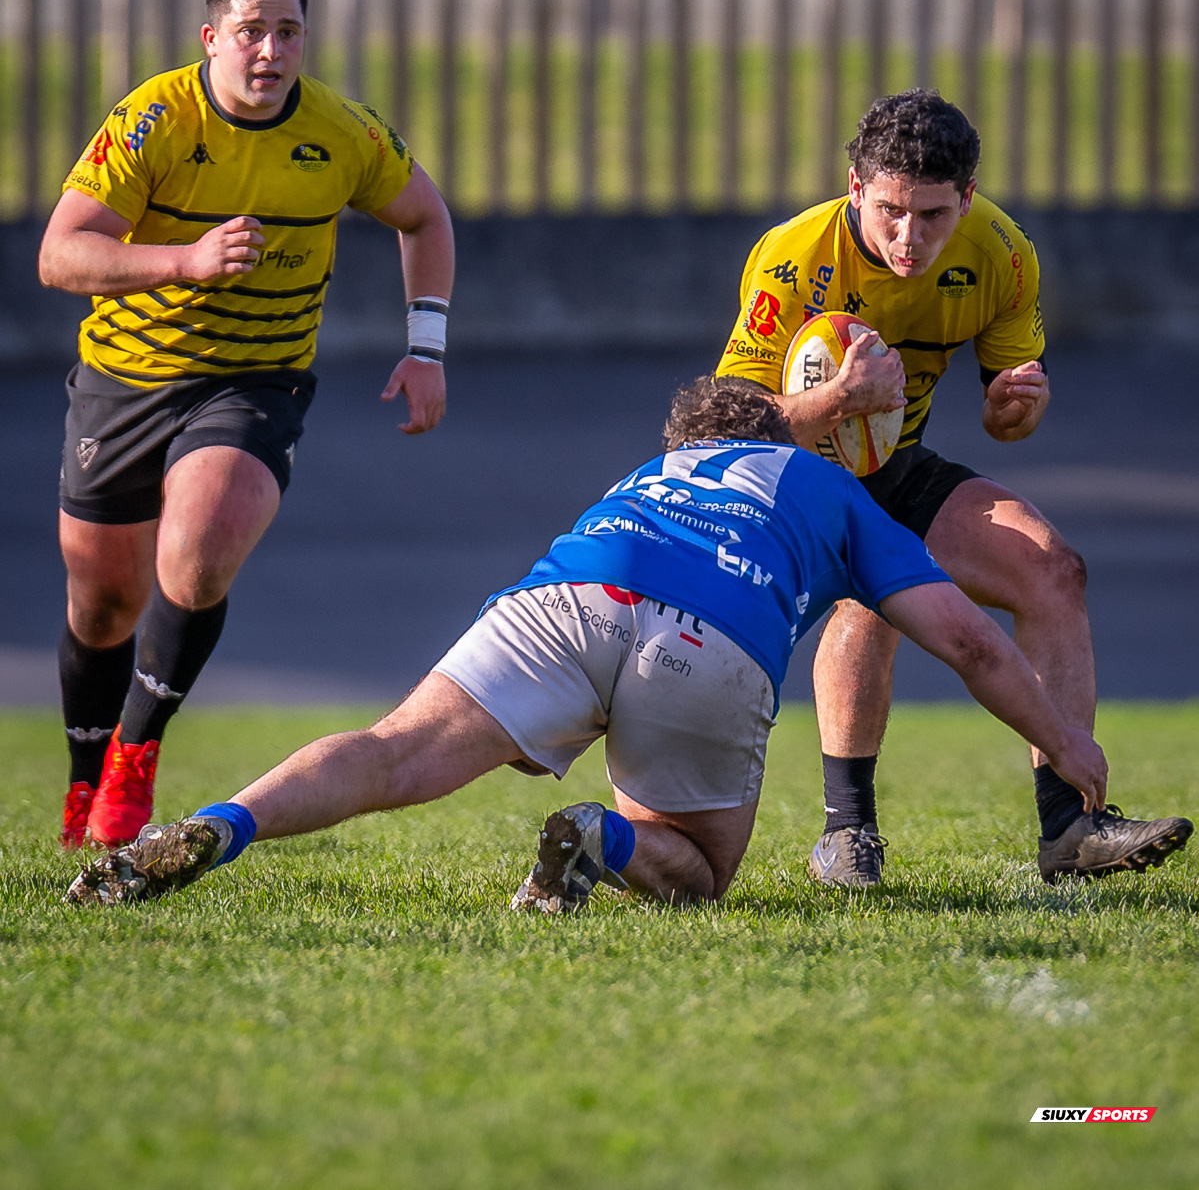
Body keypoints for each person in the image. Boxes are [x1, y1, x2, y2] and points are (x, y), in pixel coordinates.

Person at [67, 376, 1131, 912]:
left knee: (391, 749)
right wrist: (1061, 740)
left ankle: (219, 823)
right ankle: (599, 838)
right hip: (710, 638)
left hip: (571, 597)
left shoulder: (648, 474)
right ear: (779, 437)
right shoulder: (827, 484)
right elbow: (967, 641)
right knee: (698, 872)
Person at [715, 87, 1190, 890]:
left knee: (1051, 569)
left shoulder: (1001, 253)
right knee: (867, 590)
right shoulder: (792, 256)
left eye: (932, 215)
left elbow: (1007, 422)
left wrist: (1011, 410)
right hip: (784, 486)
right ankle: (846, 831)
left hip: (893, 467)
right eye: (891, 211)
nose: (910, 237)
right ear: (856, 187)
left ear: (965, 196)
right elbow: (728, 430)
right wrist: (839, 399)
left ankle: (1068, 826)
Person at [39, 0, 454, 851]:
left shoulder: (343, 132)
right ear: (211, 37)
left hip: (255, 379)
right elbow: (60, 254)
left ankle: (135, 758)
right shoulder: (153, 119)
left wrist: (426, 348)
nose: (270, 51)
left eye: (288, 32)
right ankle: (83, 781)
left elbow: (425, 215)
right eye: (251, 32)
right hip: (126, 378)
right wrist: (184, 261)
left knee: (201, 546)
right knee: (103, 603)